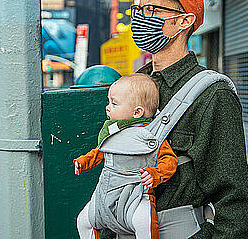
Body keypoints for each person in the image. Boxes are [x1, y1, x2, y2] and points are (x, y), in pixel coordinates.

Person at [119, 0, 248, 238]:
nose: (139, 18)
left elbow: (236, 203)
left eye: (151, 9)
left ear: (183, 21)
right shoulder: (135, 85)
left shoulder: (212, 94)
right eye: (138, 9)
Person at [74, 74, 178, 239]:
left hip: (136, 196)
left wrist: (155, 174)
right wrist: (83, 162)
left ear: (137, 112)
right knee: (83, 221)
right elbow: (100, 152)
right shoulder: (111, 132)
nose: (108, 107)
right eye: (109, 102)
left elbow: (169, 161)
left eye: (114, 103)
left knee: (145, 223)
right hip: (104, 195)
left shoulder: (151, 135)